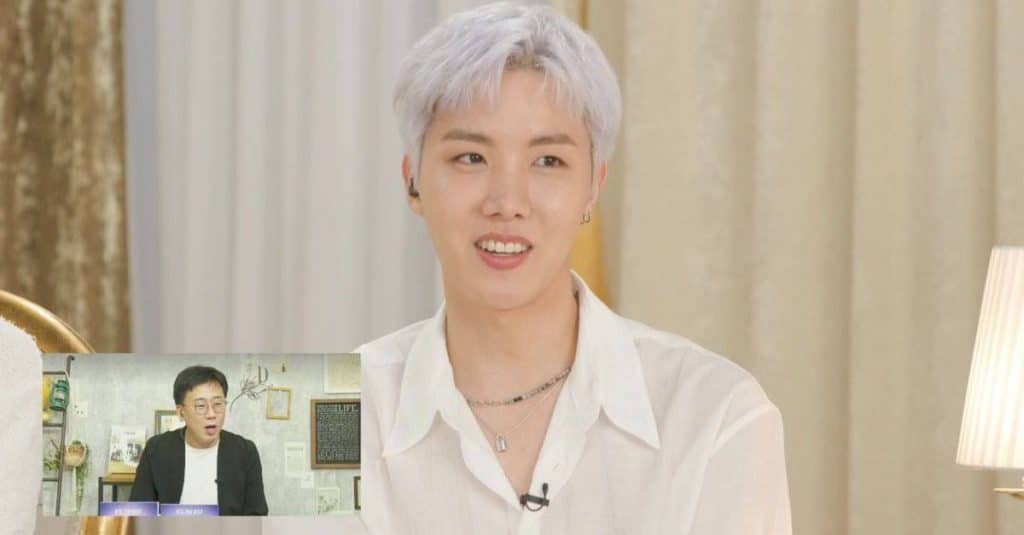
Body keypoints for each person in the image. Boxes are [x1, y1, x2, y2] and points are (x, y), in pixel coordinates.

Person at [357, 3, 792, 534]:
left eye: (548, 161)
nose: (507, 202)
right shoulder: (319, 414)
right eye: (471, 157)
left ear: (593, 187)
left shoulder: (717, 413)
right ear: (413, 182)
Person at [130, 365, 268, 515]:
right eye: (201, 406)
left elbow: (256, 515)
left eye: (218, 404)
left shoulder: (245, 451)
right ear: (181, 412)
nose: (211, 414)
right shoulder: (157, 449)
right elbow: (139, 511)